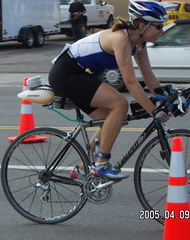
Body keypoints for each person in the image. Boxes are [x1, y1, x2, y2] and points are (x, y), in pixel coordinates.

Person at [49, 0, 170, 180]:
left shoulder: (140, 44)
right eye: (158, 26)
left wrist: (167, 97)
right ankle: (101, 164)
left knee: (111, 122)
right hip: (67, 74)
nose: (162, 31)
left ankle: (83, 168)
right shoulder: (122, 39)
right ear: (142, 25)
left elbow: (149, 77)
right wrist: (154, 111)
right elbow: (130, 82)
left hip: (84, 75)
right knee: (120, 104)